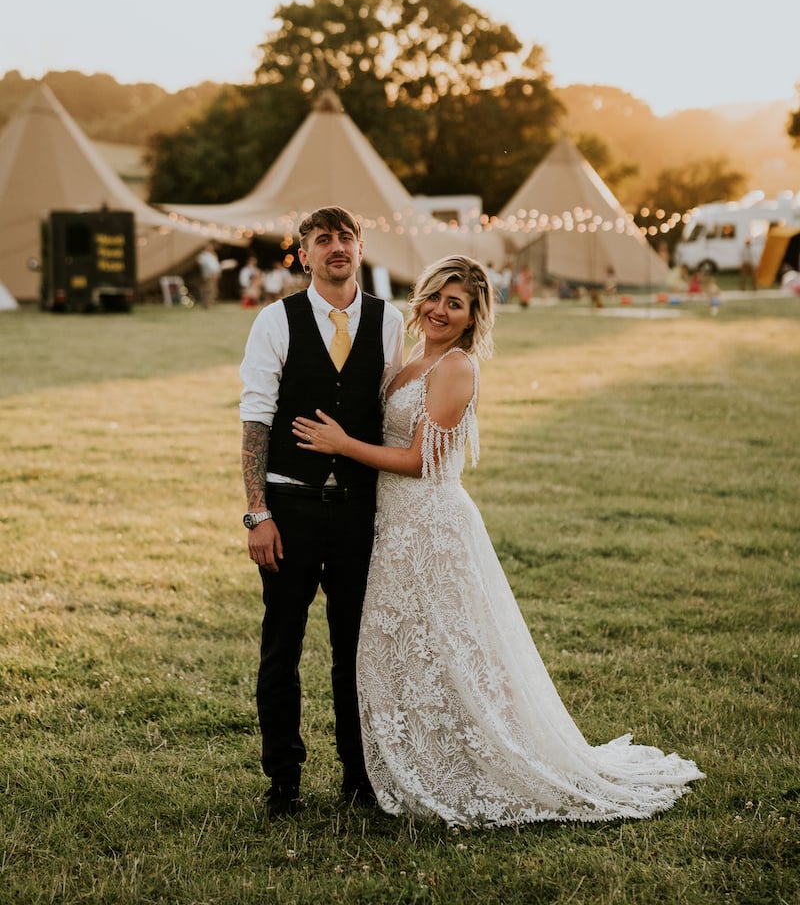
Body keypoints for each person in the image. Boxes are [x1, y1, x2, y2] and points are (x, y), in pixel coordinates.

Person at [294, 255, 705, 828]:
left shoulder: (456, 367)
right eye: (435, 296)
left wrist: (342, 445)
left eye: (454, 304)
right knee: (409, 647)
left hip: (431, 527)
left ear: (471, 317)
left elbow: (421, 461)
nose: (439, 309)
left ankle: (473, 764)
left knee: (455, 651)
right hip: (393, 527)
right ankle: (421, 756)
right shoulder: (413, 357)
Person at [239, 206, 405, 817]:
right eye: (322, 239)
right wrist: (258, 513)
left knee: (353, 649)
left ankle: (359, 778)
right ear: (303, 254)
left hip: (359, 511)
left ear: (360, 248)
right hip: (291, 506)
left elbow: (387, 413)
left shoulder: (391, 322)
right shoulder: (274, 321)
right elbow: (256, 418)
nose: (336, 247)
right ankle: (283, 780)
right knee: (281, 648)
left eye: (345, 238)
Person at [196, 242, 221, 308]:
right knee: (207, 289)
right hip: (208, 275)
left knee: (213, 290)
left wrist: (217, 273)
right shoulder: (203, 256)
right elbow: (205, 266)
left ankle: (210, 302)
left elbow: (216, 266)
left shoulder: (213, 255)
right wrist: (210, 273)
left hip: (214, 275)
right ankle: (205, 303)